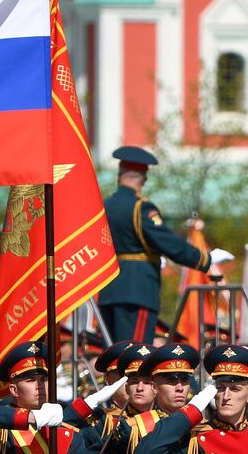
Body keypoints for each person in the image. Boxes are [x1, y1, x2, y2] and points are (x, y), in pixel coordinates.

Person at [97, 146, 232, 342]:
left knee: (114, 354)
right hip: (137, 289)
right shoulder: (141, 207)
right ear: (143, 178)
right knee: (135, 355)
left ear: (120, 175)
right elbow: (167, 242)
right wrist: (204, 258)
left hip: (109, 289)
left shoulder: (105, 206)